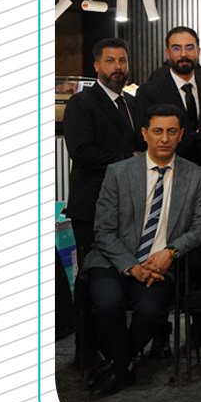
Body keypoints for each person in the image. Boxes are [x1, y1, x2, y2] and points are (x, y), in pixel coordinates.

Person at [78, 105, 201, 396]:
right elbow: (103, 229)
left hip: (161, 266)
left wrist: (171, 252)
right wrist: (131, 266)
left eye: (172, 132)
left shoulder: (196, 176)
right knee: (108, 305)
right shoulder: (118, 172)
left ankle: (116, 365)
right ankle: (122, 366)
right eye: (158, 131)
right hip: (112, 260)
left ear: (181, 135)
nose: (164, 138)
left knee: (151, 313)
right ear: (144, 133)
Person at [63, 38, 143, 264]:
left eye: (122, 61)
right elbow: (81, 151)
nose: (118, 66)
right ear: (96, 66)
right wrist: (128, 160)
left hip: (130, 207)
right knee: (93, 270)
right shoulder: (81, 102)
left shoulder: (133, 103)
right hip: (92, 205)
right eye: (110, 61)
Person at [135, 26, 201, 169]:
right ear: (167, 53)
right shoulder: (148, 92)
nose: (183, 54)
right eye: (177, 49)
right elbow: (145, 142)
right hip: (170, 171)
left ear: (198, 52)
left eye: (189, 48)